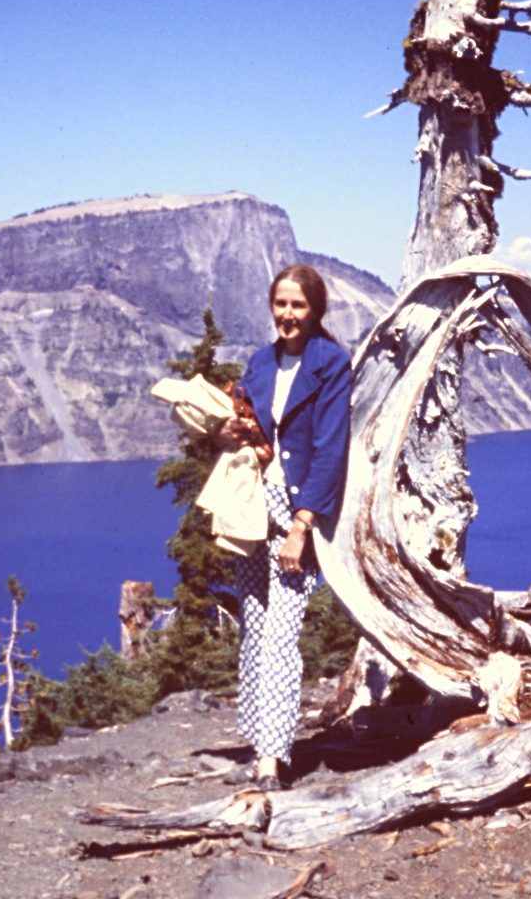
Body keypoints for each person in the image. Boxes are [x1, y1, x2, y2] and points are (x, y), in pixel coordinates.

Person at [215, 263, 351, 791]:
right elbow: (249, 427)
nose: (288, 315)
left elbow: (330, 449)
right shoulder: (261, 361)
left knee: (281, 635)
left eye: (298, 306)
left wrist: (302, 526)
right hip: (253, 507)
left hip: (298, 512)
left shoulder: (330, 363)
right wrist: (230, 428)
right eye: (281, 304)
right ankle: (256, 741)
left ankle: (274, 757)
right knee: (253, 617)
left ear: (315, 309)